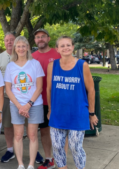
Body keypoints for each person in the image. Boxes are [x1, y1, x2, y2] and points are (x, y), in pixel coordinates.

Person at [47, 36, 98, 169]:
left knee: (75, 146)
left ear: (73, 47)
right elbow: (49, 89)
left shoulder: (82, 65)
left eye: (68, 45)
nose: (65, 48)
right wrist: (50, 110)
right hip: (58, 113)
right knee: (57, 146)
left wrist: (92, 113)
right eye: (62, 46)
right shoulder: (52, 65)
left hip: (78, 112)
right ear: (57, 49)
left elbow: (91, 90)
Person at [4, 36, 44, 169]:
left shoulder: (35, 64)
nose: (21, 49)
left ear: (27, 48)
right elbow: (8, 89)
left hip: (34, 104)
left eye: (23, 46)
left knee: (32, 135)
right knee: (18, 135)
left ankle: (31, 164)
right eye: (18, 46)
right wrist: (19, 106)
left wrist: (28, 105)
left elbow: (39, 87)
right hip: (16, 105)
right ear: (15, 48)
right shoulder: (10, 66)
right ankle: (20, 164)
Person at [32, 29, 62, 168]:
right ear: (35, 40)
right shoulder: (32, 57)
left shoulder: (58, 55)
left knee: (61, 131)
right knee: (44, 131)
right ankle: (49, 159)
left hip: (57, 99)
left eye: (43, 36)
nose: (40, 39)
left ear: (48, 38)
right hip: (39, 100)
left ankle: (62, 160)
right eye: (37, 37)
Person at [0, 32, 16, 163]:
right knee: (7, 125)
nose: (9, 42)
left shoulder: (21, 55)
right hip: (6, 97)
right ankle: (10, 150)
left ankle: (34, 151)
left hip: (21, 97)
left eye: (11, 40)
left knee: (28, 125)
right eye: (7, 40)